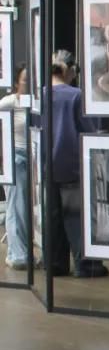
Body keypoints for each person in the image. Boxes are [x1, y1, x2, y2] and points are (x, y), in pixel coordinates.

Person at [46, 50, 107, 277]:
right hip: (73, 163)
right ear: (70, 70)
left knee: (53, 217)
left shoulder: (40, 95)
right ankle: (87, 265)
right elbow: (90, 130)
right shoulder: (78, 96)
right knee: (77, 217)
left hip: (47, 164)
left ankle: (55, 264)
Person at [0, 64, 30, 269]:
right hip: (16, 157)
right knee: (16, 205)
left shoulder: (37, 102)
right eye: (25, 80)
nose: (29, 84)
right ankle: (18, 255)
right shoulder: (9, 102)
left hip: (36, 158)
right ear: (17, 82)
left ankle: (20, 253)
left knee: (29, 208)